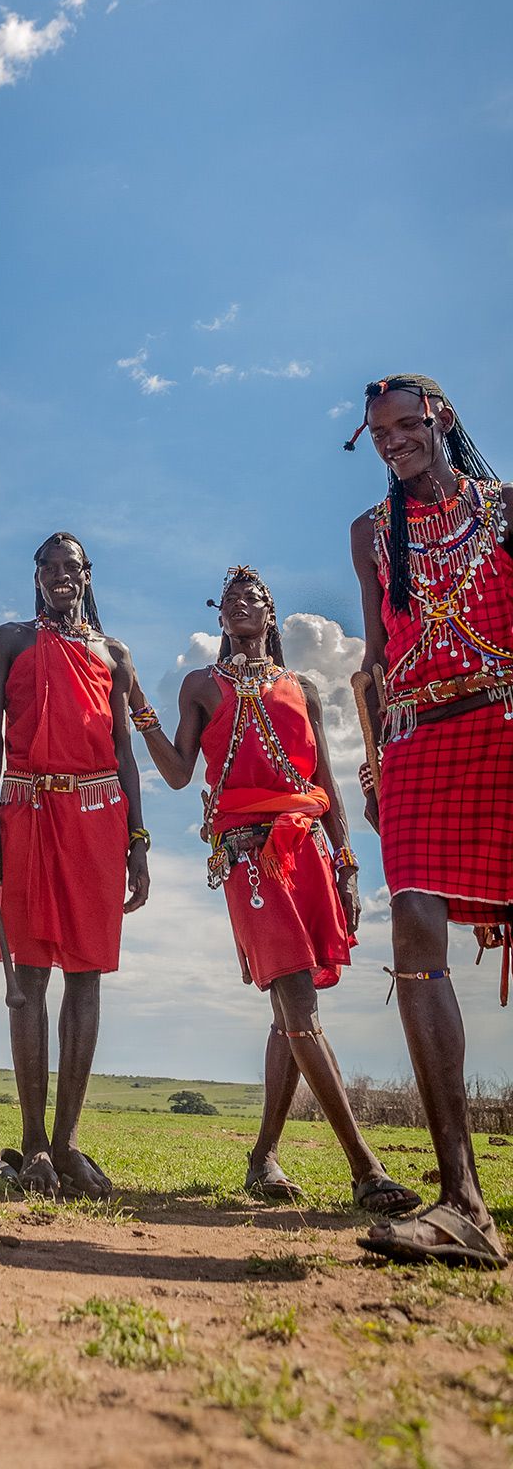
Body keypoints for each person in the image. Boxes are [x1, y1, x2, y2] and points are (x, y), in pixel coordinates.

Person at [133, 565, 416, 1217]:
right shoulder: (202, 686)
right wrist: (140, 705)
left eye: (250, 596)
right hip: (246, 858)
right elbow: (179, 775)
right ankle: (366, 1170)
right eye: (228, 598)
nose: (238, 604)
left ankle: (262, 1158)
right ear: (220, 616)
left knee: (289, 1014)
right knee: (296, 1004)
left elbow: (328, 784)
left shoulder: (302, 687)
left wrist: (347, 864)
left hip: (309, 852)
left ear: (269, 611)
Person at [347, 373, 513, 1268]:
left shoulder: (506, 510)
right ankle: (463, 1201)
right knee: (413, 924)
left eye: (407, 427)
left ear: (441, 419)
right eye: (380, 434)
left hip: (503, 723)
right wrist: (374, 762)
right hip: (415, 741)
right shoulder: (372, 535)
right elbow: (374, 660)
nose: (395, 443)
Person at [0, 534, 149, 1199]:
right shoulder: (10, 641)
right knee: (28, 976)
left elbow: (125, 753)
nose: (58, 575)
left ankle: (69, 1142)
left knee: (87, 975)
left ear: (86, 575)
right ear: (37, 576)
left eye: (70, 565)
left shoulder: (114, 654)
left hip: (99, 818)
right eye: (47, 565)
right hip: (24, 812)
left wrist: (139, 841)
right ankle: (34, 1144)